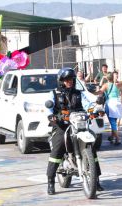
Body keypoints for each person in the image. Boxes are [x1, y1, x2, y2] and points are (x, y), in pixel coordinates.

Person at [45, 67, 103, 195]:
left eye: (71, 79)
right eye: (66, 79)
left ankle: (96, 180)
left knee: (92, 148)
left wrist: (95, 110)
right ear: (61, 80)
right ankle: (50, 181)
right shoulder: (54, 93)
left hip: (78, 123)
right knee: (59, 146)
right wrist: (52, 116)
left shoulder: (78, 93)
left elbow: (87, 105)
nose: (69, 81)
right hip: (61, 124)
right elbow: (48, 108)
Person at [97, 69, 122, 145]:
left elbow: (99, 92)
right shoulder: (117, 84)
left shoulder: (106, 85)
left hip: (110, 104)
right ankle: (112, 136)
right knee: (114, 121)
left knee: (112, 122)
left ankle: (118, 139)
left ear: (107, 78)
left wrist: (89, 92)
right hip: (118, 104)